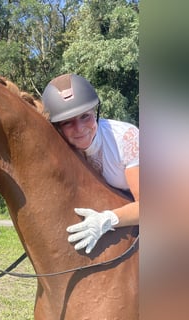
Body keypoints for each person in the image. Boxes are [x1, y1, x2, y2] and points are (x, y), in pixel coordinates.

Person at [42, 73, 139, 254]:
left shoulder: (125, 138)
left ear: (96, 112)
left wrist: (107, 219)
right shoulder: (63, 148)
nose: (79, 129)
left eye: (85, 116)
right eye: (67, 122)